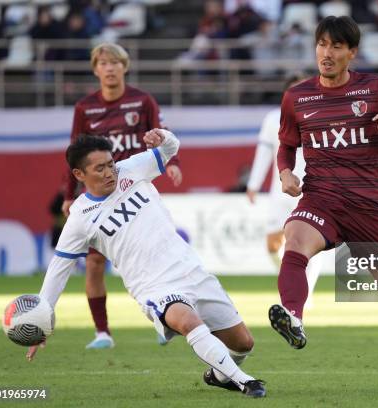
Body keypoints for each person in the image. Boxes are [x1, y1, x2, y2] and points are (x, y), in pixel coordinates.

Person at [267, 16, 378, 391]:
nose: (327, 53)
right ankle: (293, 317)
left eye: (336, 46)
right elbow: (286, 144)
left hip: (370, 205)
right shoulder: (297, 97)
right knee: (296, 240)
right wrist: (286, 173)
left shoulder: (376, 89)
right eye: (321, 44)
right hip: (322, 197)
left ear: (352, 52)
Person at [27, 131, 266, 398]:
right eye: (99, 168)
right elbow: (58, 271)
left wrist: (163, 136)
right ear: (79, 174)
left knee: (243, 343)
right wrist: (41, 321)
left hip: (191, 270)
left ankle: (220, 376)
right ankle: (247, 383)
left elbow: (172, 148)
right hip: (153, 287)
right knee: (187, 321)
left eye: (110, 165)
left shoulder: (132, 169)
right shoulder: (79, 219)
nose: (109, 173)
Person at [62, 43, 183, 349]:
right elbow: (75, 155)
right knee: (92, 264)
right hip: (101, 199)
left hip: (133, 192)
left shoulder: (142, 101)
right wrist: (68, 195)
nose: (110, 68)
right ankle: (102, 332)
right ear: (95, 69)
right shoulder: (85, 108)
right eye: (104, 63)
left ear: (125, 67)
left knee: (154, 260)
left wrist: (174, 163)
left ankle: (165, 317)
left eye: (116, 62)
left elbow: (162, 134)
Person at [246, 76, 322, 308]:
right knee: (272, 245)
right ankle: (293, 281)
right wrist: (253, 184)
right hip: (280, 191)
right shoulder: (272, 119)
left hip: (311, 189)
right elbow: (264, 152)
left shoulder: (320, 114)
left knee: (312, 245)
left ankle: (303, 294)